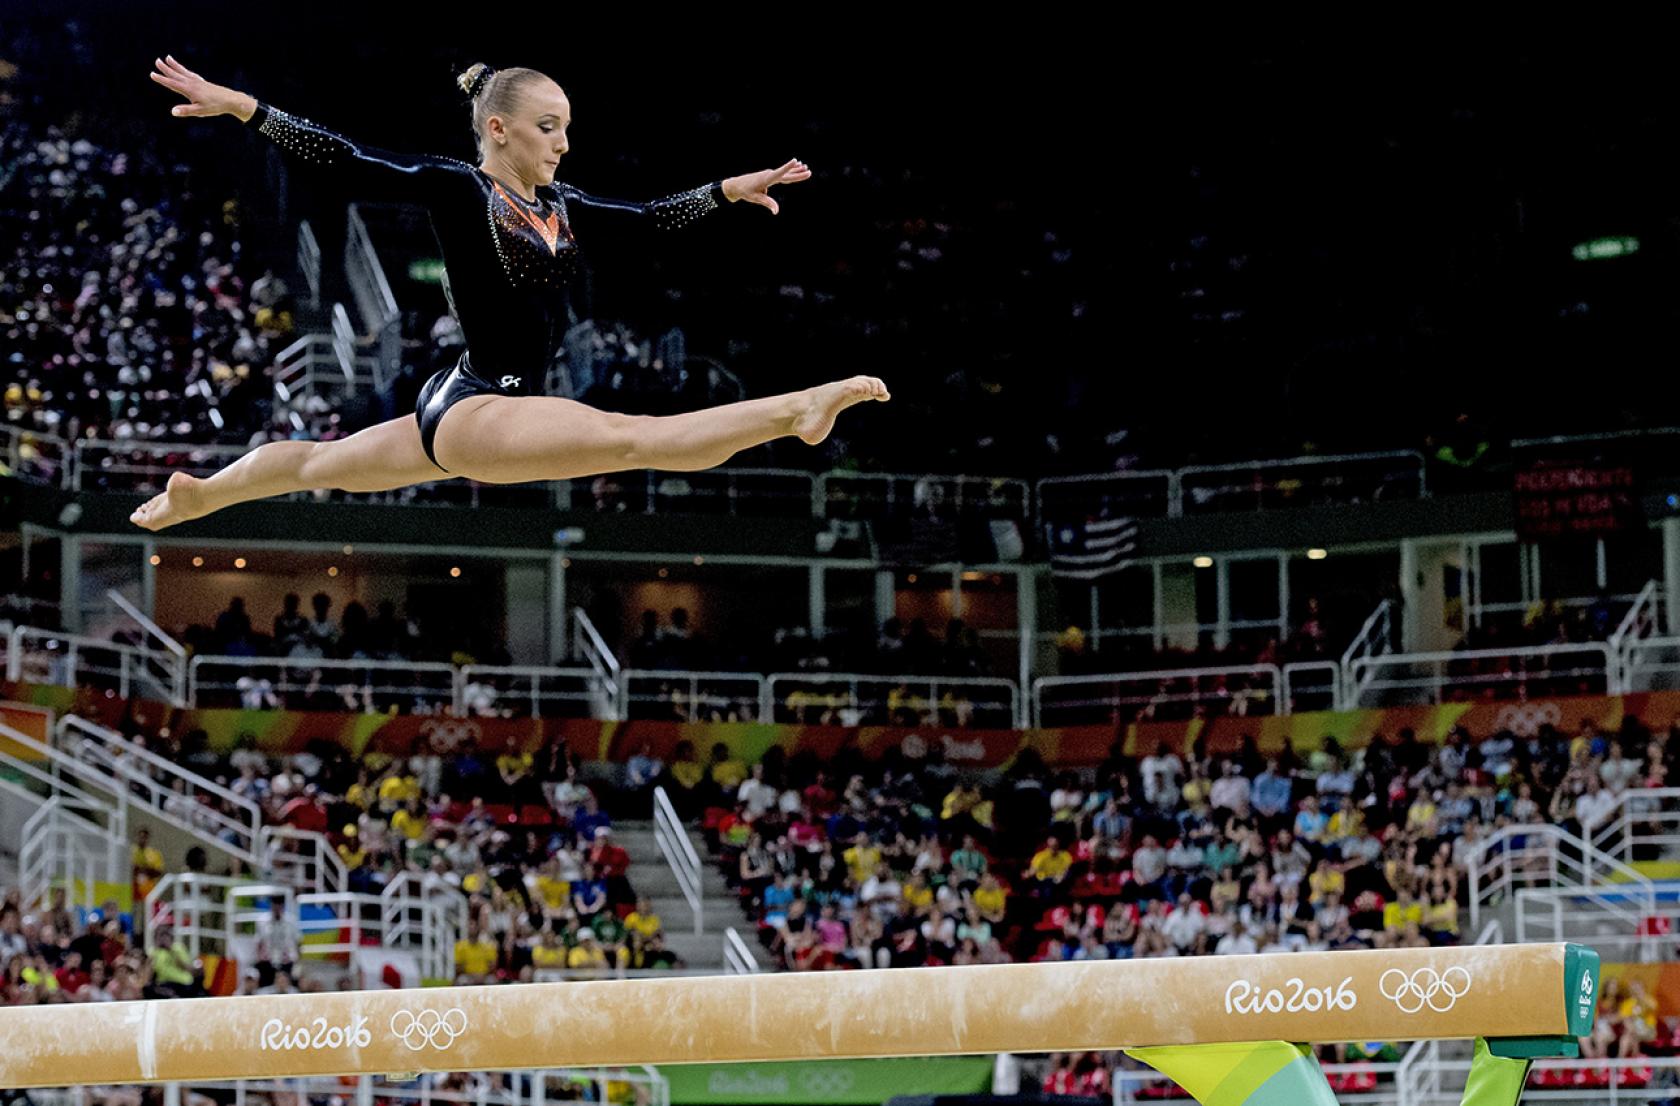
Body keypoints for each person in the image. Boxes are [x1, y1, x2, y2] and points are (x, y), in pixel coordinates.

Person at [133, 57, 888, 531]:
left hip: (464, 400)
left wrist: (728, 190)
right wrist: (244, 108)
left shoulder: (564, 205)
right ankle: (797, 409)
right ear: (499, 129)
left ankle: (200, 496)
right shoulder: (460, 190)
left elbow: (652, 218)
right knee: (634, 437)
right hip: (480, 410)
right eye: (548, 128)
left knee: (312, 467)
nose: (562, 143)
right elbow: (348, 159)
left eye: (566, 129)